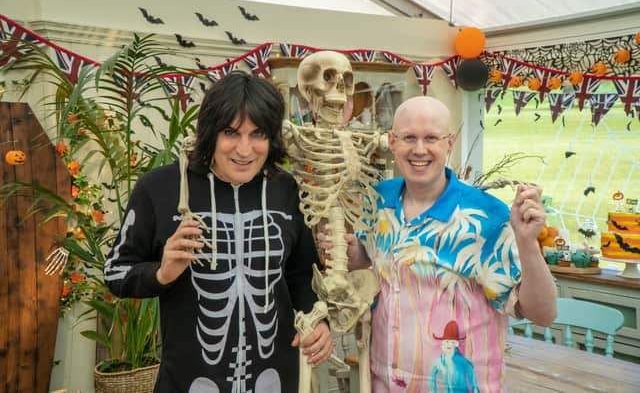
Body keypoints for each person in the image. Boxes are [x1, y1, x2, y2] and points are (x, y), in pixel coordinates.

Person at [104, 71, 332, 393]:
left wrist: (318, 319)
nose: (244, 149)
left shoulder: (285, 189)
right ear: (210, 132)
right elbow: (116, 272)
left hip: (275, 377)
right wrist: (162, 272)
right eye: (230, 132)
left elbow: (300, 274)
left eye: (258, 134)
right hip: (189, 381)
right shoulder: (161, 187)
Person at [318, 96, 557, 392]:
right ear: (392, 142)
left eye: (431, 137)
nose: (419, 149)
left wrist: (527, 243)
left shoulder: (486, 217)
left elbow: (543, 314)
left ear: (449, 143)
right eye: (409, 138)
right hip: (384, 383)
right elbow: (371, 257)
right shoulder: (379, 199)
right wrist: (348, 251)